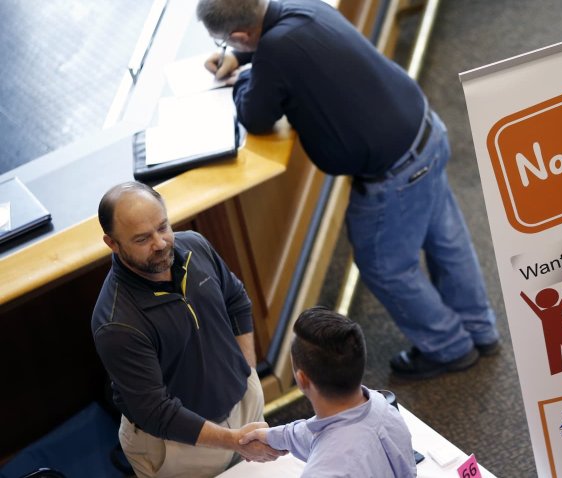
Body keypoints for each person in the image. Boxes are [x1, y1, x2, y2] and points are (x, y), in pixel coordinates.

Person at [196, 0, 500, 379]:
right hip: (426, 134)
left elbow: (256, 116)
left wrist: (242, 75)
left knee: (385, 267)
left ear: (241, 35)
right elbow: (290, 54)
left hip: (395, 175)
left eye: (225, 43)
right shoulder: (302, 6)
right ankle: (480, 329)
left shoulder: (275, 50)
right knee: (446, 241)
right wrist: (243, 59)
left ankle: (449, 346)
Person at [91, 181, 285, 478]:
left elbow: (237, 301)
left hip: (241, 404)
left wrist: (246, 373)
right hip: (178, 446)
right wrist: (233, 441)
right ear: (112, 244)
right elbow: (157, 413)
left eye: (163, 226)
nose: (160, 243)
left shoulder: (194, 244)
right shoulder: (116, 322)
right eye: (142, 239)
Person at [239, 306, 417, 477]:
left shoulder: (323, 473)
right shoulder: (382, 404)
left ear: (302, 379)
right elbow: (316, 432)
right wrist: (274, 437)